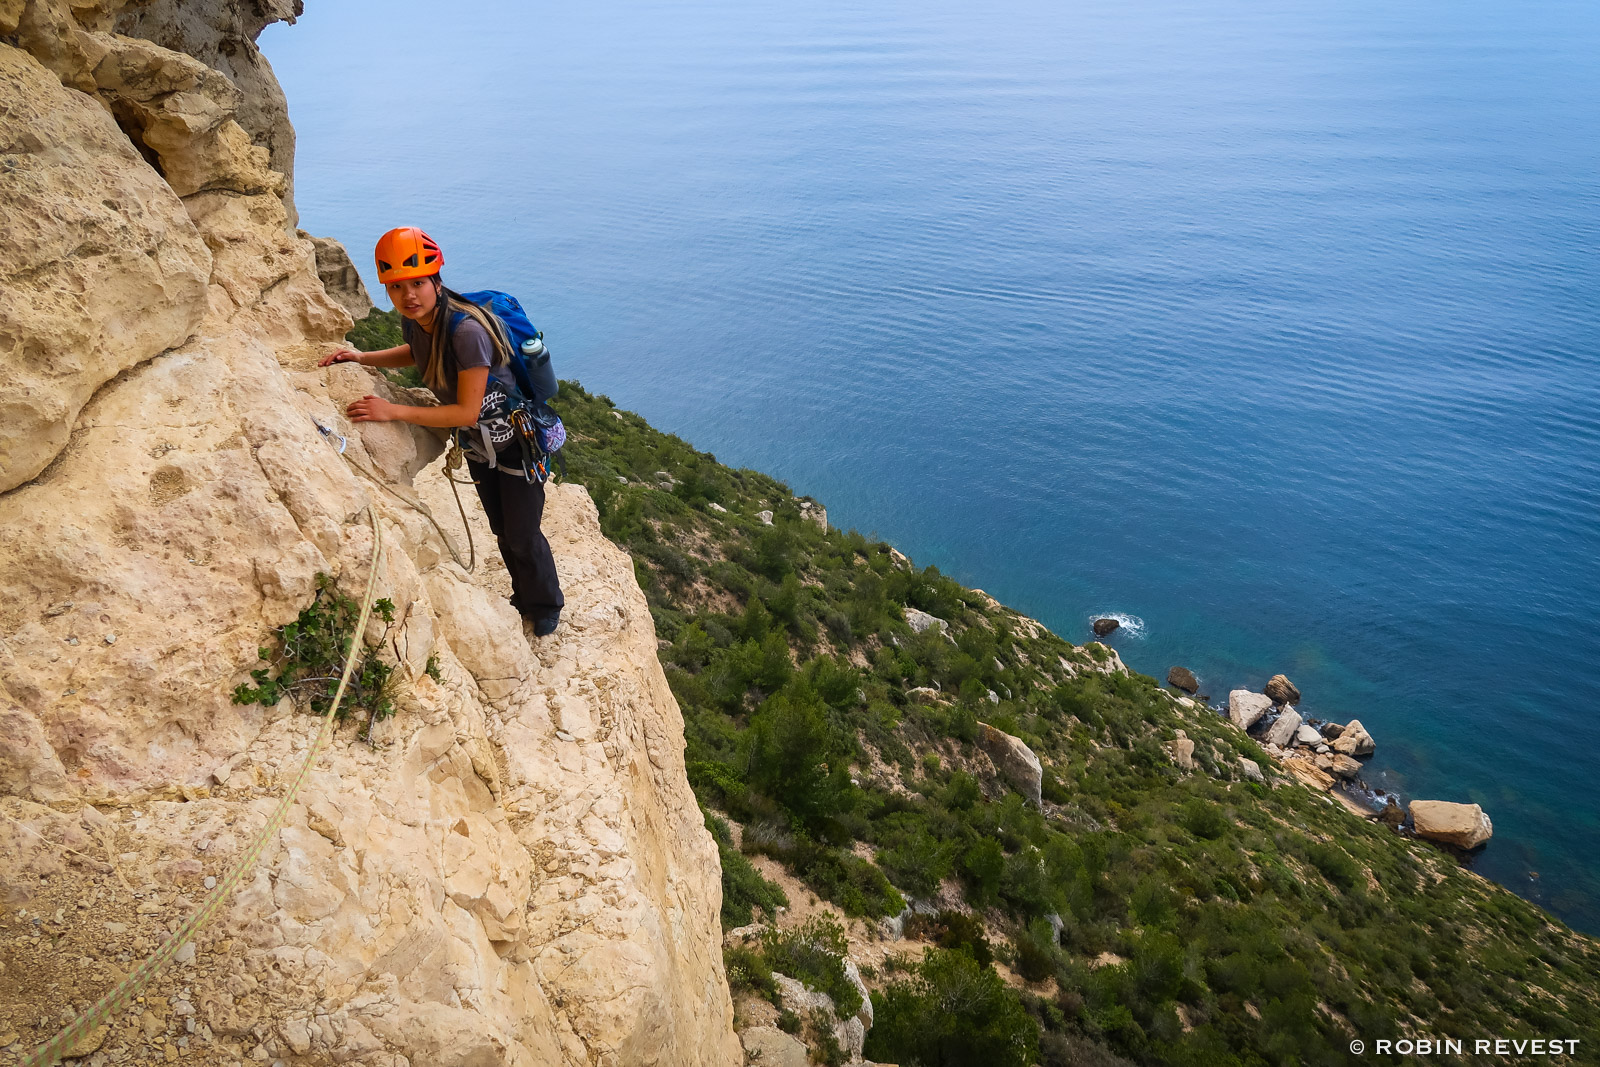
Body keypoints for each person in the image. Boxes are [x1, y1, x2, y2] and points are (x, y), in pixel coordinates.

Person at [318, 226, 565, 636]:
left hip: (516, 445)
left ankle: (544, 605)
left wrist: (392, 410)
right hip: (481, 447)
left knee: (522, 534)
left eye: (417, 283)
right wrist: (363, 356)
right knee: (503, 530)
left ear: (436, 279)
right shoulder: (419, 323)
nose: (408, 295)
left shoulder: (466, 332)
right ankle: (523, 597)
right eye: (397, 287)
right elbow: (417, 354)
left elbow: (467, 411)